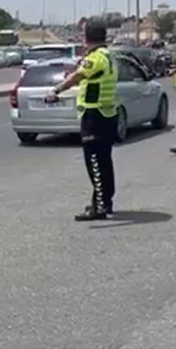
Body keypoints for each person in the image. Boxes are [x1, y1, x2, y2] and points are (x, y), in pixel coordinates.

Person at [45, 20, 118, 221]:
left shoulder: (94, 58)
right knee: (104, 161)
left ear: (86, 38)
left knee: (94, 162)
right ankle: (105, 201)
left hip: (94, 115)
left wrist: (56, 90)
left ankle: (100, 207)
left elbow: (77, 77)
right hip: (107, 114)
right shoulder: (108, 55)